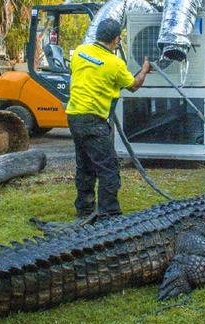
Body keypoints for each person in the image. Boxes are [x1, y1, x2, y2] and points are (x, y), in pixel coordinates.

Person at [65, 19, 150, 218]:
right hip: (94, 120)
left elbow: (88, 75)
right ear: (116, 39)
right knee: (108, 168)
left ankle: (84, 208)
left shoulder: (79, 52)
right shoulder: (115, 64)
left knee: (84, 164)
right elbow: (134, 85)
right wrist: (145, 68)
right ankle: (109, 213)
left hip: (74, 117)